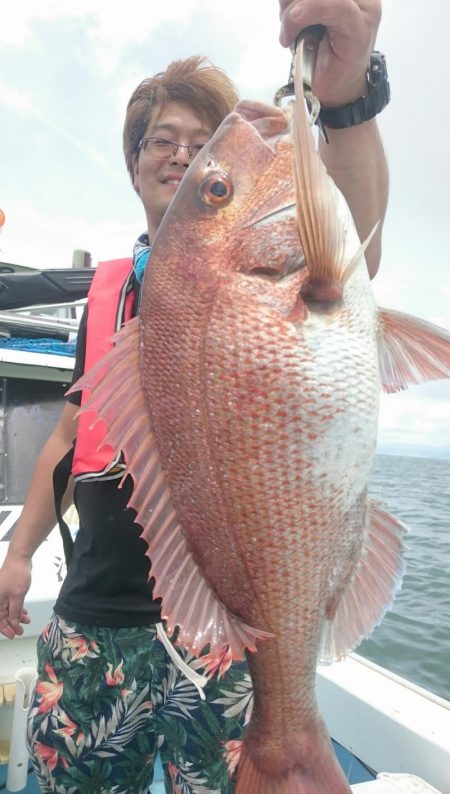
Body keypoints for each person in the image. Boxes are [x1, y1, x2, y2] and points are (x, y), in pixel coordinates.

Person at [0, 1, 388, 792]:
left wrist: (346, 98)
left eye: (200, 141)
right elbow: (67, 439)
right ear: (135, 162)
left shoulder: (277, 269)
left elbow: (352, 242)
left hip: (220, 631)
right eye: (162, 140)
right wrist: (18, 553)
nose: (182, 153)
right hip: (93, 613)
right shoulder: (106, 296)